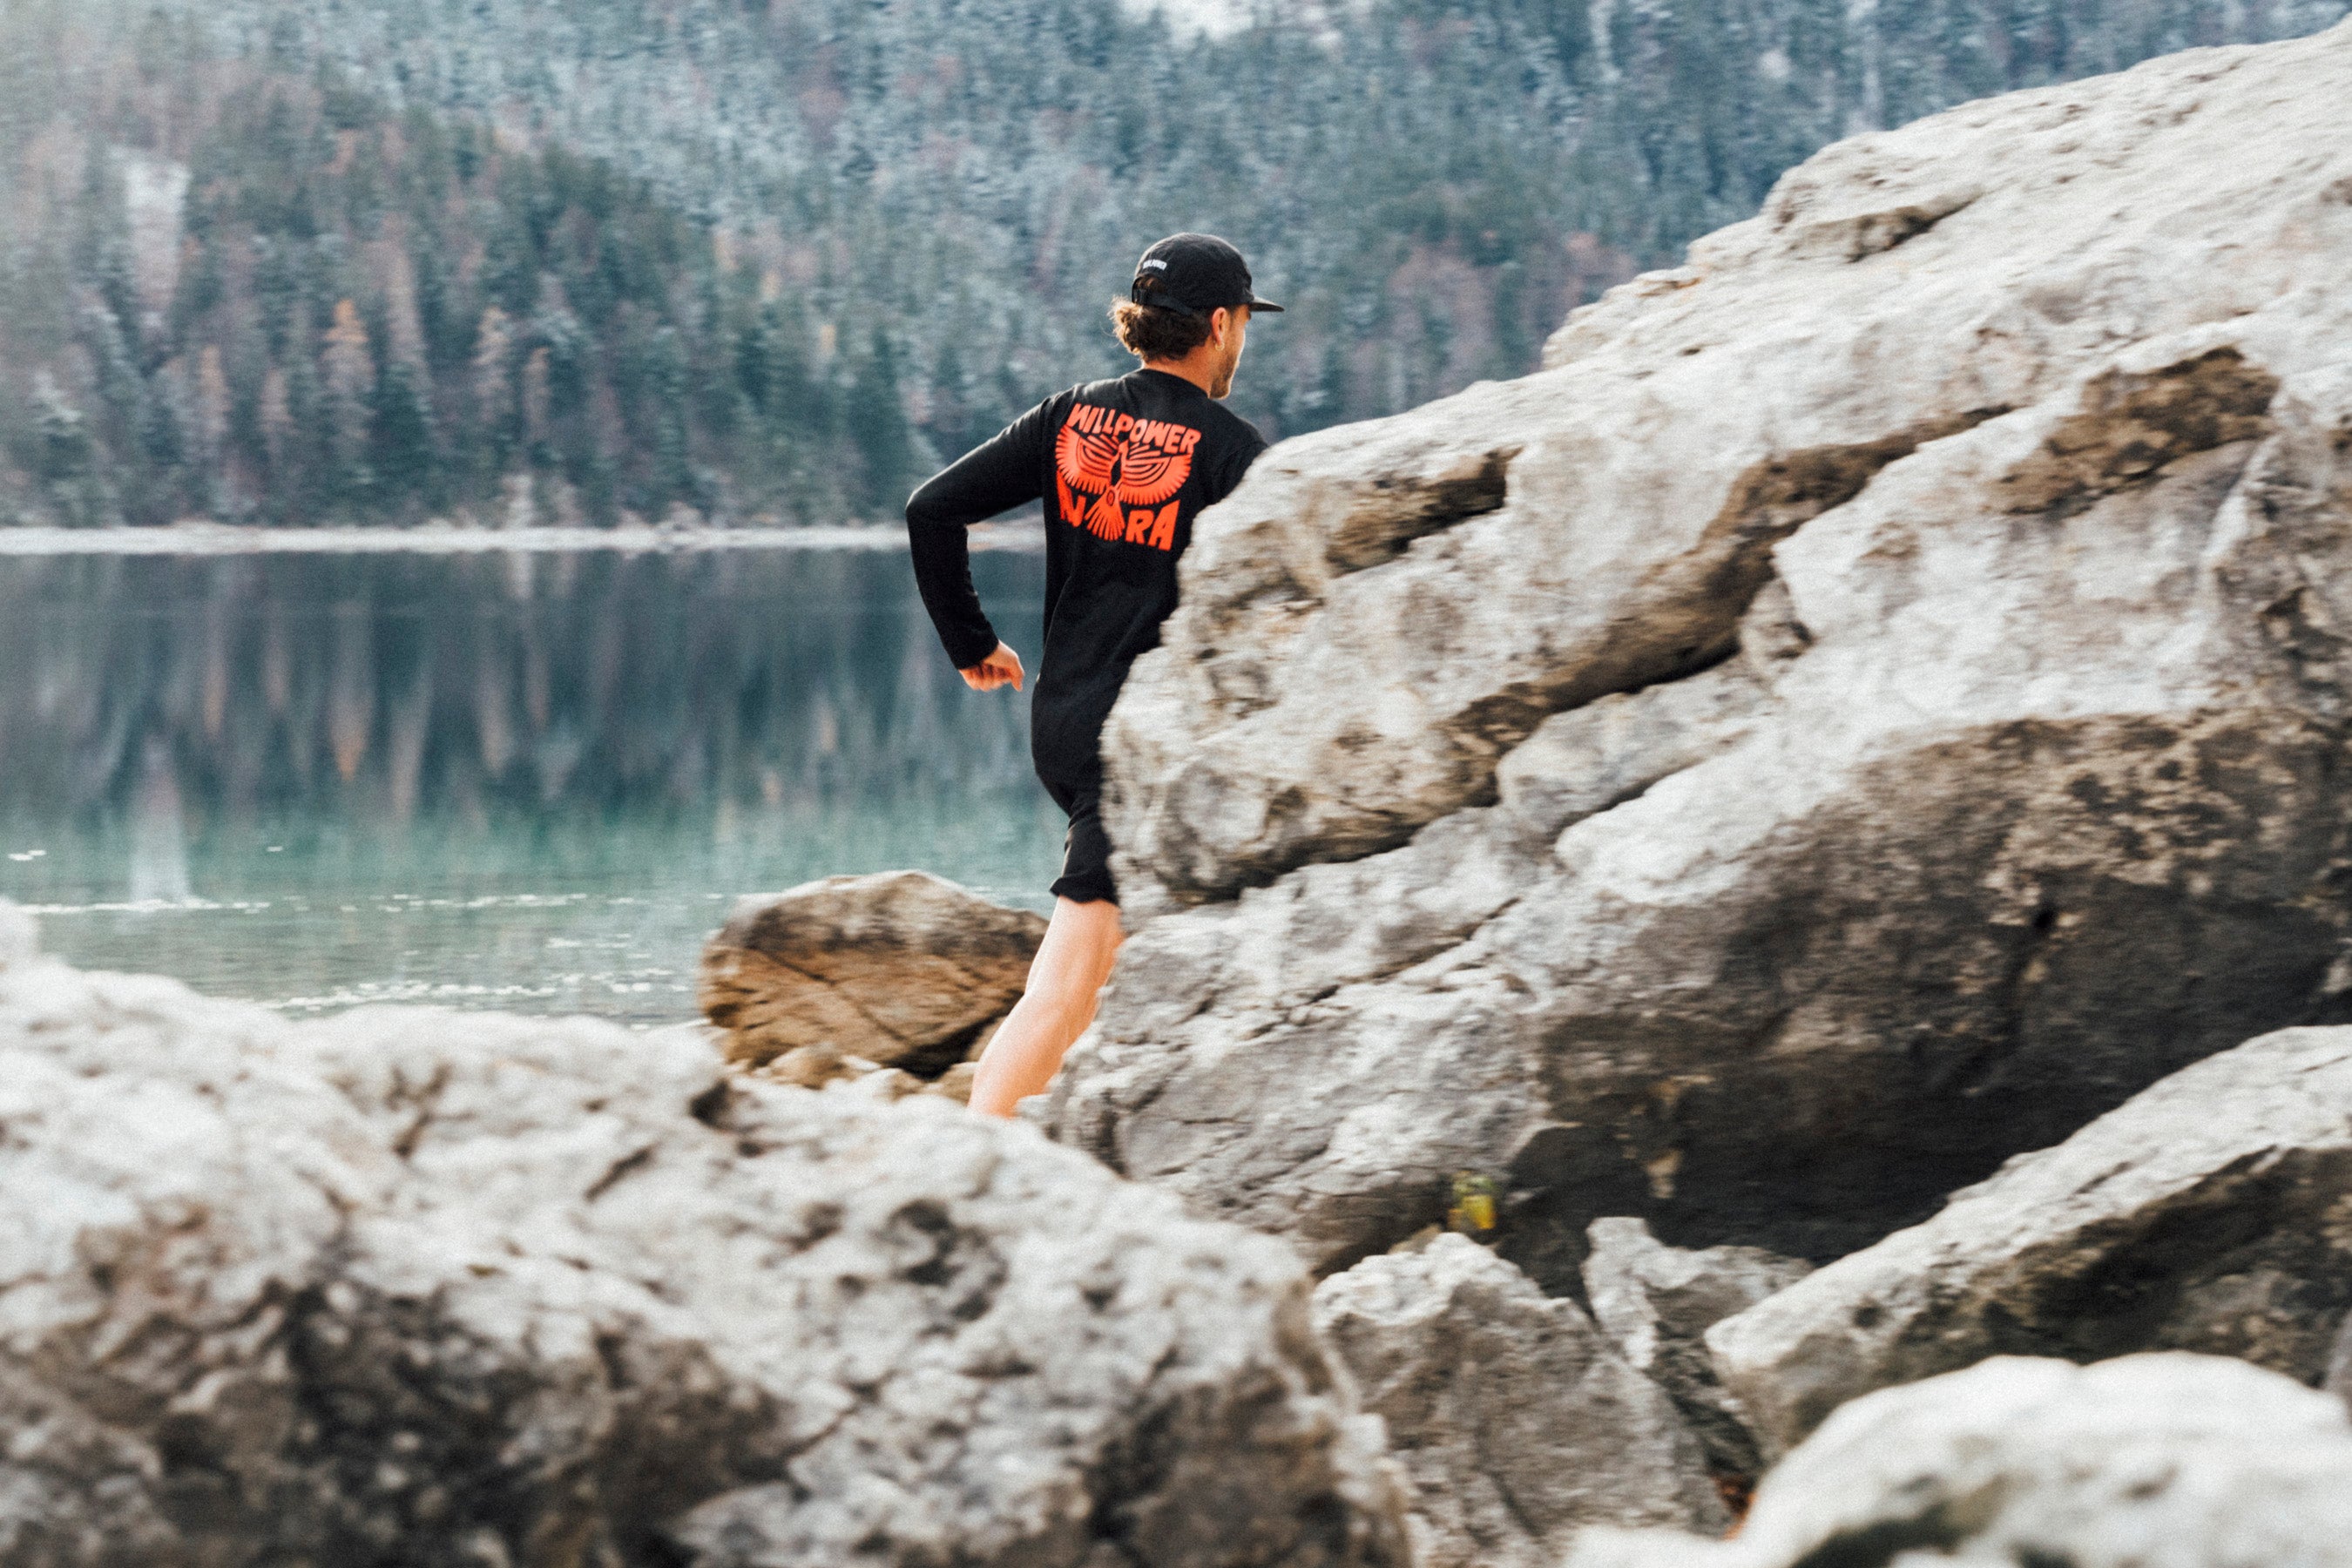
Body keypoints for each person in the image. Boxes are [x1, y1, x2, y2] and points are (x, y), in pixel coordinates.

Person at [905, 233, 1279, 1117]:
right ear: (1220, 325)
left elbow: (932, 511)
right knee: (1067, 985)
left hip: (1065, 721)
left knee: (1116, 964)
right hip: (1134, 746)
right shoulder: (1232, 453)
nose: (1242, 343)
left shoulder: (1068, 416)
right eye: (1243, 327)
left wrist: (971, 645)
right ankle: (969, 1158)